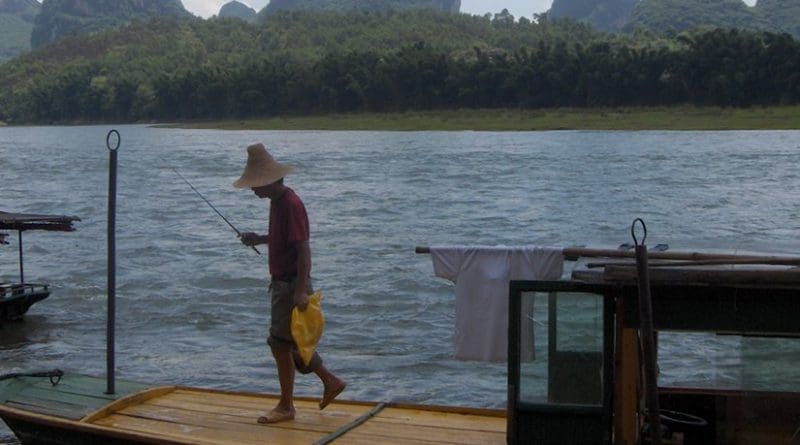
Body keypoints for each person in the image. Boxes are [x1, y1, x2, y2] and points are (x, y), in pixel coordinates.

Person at [234, 143, 346, 424]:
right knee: (291, 343)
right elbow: (283, 239)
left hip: (290, 285)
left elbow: (303, 249)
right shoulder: (277, 202)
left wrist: (299, 291)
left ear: (270, 181)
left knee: (280, 343)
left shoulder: (291, 204)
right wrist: (259, 239)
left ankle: (287, 406)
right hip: (285, 285)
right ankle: (330, 382)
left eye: (255, 185)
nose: (252, 190)